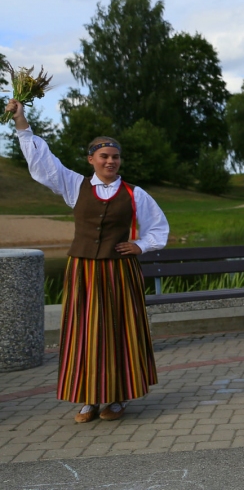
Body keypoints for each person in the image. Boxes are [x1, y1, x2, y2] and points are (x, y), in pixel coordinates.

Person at [8, 99, 168, 423]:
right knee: (84, 334)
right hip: (83, 270)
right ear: (91, 159)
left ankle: (118, 397)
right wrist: (22, 123)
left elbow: (159, 227)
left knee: (119, 332)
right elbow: (42, 162)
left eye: (115, 157)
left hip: (119, 271)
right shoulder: (74, 185)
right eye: (104, 156)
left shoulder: (134, 193)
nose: (110, 161)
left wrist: (140, 245)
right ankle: (89, 399)